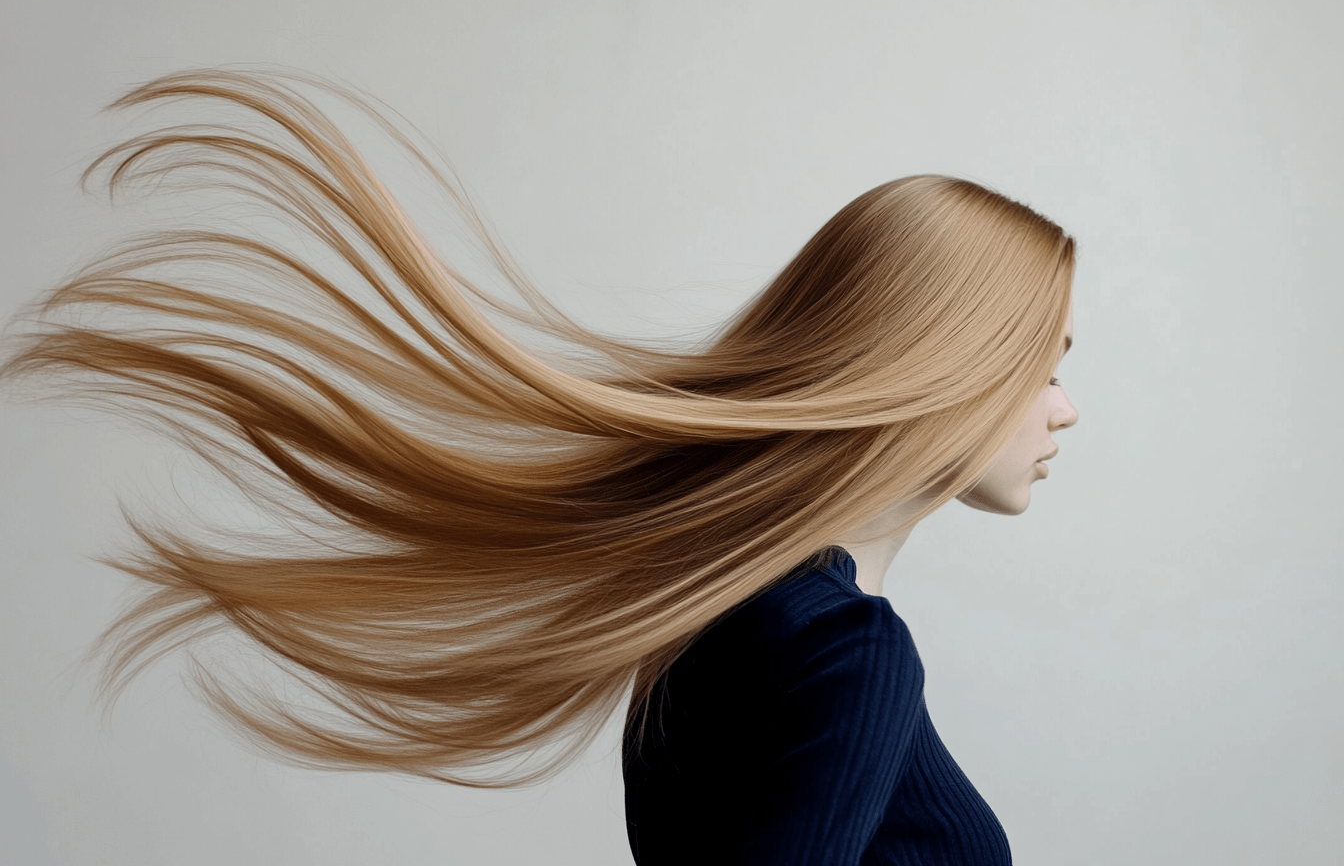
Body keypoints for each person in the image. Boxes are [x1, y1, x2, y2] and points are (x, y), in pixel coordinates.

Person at [0, 69, 1077, 864]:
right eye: (1043, 364)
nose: (1065, 409)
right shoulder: (850, 650)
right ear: (952, 363)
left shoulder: (721, 618)